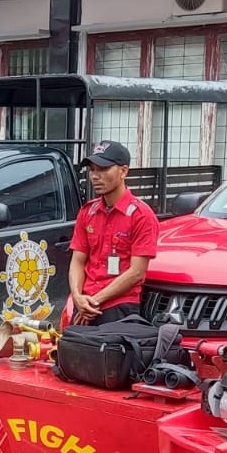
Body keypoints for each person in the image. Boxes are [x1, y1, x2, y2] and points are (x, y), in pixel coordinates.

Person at [67, 140, 160, 326]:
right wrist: (77, 296)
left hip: (119, 307)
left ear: (123, 171)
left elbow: (136, 273)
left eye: (103, 169)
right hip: (86, 304)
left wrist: (95, 300)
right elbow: (78, 260)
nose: (95, 176)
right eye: (92, 170)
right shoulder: (88, 212)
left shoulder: (141, 215)